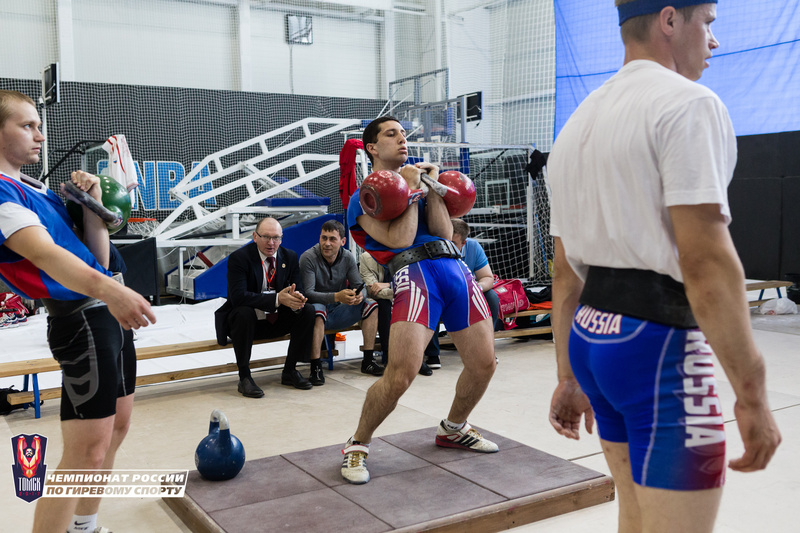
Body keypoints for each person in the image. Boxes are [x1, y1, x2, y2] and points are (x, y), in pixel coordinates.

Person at [546, 3, 781, 532]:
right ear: (670, 21)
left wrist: (568, 375)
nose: (715, 41)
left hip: (594, 341)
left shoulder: (577, 124)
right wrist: (752, 394)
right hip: (658, 346)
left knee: (635, 516)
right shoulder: (689, 104)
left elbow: (565, 274)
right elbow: (705, 262)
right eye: (709, 23)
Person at [0, 89, 155, 533]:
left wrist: (92, 212)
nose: (40, 136)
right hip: (83, 320)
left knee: (117, 428)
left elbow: (98, 259)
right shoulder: (1, 195)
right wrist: (113, 293)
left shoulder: (36, 190)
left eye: (38, 125)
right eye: (27, 125)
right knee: (84, 449)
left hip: (106, 312)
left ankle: (83, 526)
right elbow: (47, 256)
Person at [340, 116, 498, 484]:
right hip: (413, 274)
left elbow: (444, 231)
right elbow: (399, 238)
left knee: (484, 363)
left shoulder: (421, 185)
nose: (402, 139)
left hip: (455, 269)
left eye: (404, 134)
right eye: (391, 134)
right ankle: (357, 445)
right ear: (373, 148)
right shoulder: (363, 197)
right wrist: (410, 189)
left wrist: (432, 188)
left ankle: (453, 428)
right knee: (401, 375)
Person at [214, 217, 315, 396]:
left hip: (276, 321)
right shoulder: (240, 258)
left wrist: (296, 299)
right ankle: (244, 377)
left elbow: (297, 289)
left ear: (282, 238)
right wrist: (277, 299)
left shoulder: (289, 257)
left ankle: (290, 370)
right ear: (254, 236)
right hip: (247, 324)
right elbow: (237, 297)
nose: (271, 243)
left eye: (276, 238)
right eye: (266, 237)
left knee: (307, 310)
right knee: (243, 313)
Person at [299, 219, 382, 384]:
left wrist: (360, 295)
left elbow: (360, 286)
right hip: (315, 313)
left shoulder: (348, 257)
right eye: (324, 238)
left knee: (371, 305)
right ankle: (315, 367)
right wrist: (337, 296)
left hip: (338, 311)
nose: (327, 243)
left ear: (343, 241)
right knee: (317, 309)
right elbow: (308, 293)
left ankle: (368, 361)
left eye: (332, 239)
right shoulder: (308, 257)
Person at [423, 218, 500, 368]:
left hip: (466, 294)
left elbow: (487, 277)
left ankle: (486, 350)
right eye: (445, 240)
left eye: (453, 243)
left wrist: (476, 288)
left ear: (463, 244)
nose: (446, 246)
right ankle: (432, 355)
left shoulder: (473, 247)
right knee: (429, 299)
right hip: (439, 294)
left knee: (491, 297)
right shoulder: (432, 247)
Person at [359, 251, 433, 375]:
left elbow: (414, 284)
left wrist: (389, 285)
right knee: (383, 305)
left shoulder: (406, 255)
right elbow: (373, 290)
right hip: (383, 302)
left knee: (416, 301)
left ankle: (416, 357)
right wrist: (400, 290)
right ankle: (389, 357)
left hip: (403, 298)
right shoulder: (366, 258)